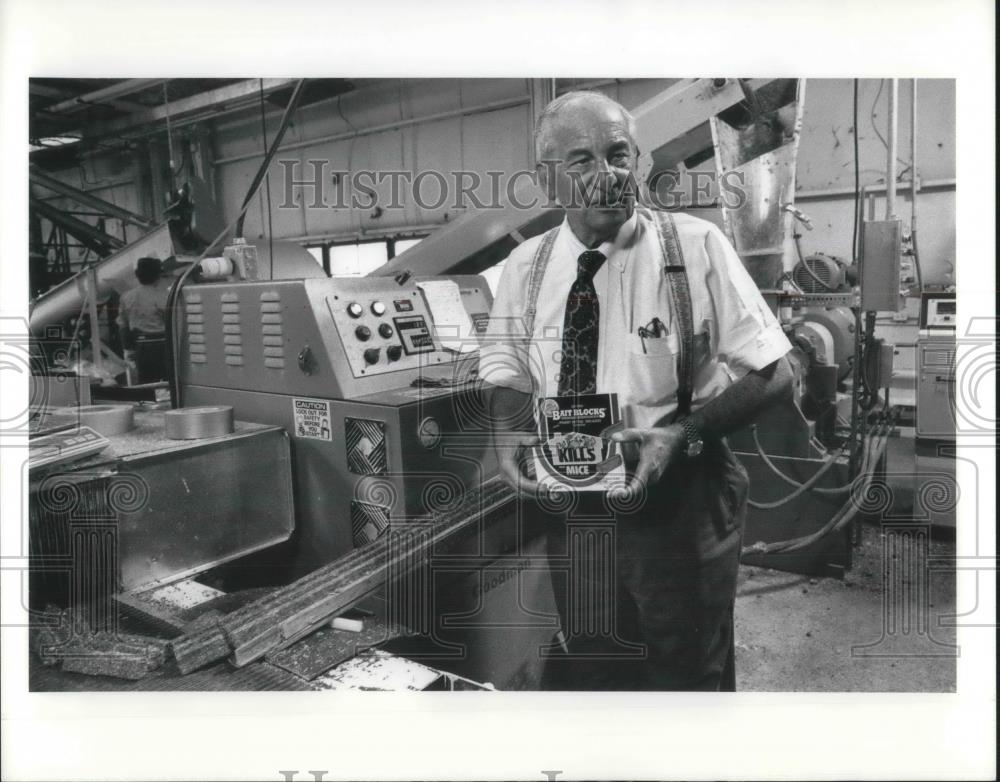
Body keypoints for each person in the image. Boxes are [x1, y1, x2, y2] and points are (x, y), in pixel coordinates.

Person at [479, 91, 794, 691]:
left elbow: (777, 371)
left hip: (681, 499)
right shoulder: (527, 266)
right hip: (576, 504)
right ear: (548, 180)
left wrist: (683, 434)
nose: (607, 176)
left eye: (618, 155)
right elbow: (508, 370)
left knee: (686, 669)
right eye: (581, 161)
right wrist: (508, 434)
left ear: (639, 162)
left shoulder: (694, 247)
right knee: (597, 664)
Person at [117, 256, 170, 384]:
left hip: (140, 345)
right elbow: (172, 323)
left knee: (146, 383)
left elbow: (123, 326)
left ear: (138, 276)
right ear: (157, 276)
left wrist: (127, 349)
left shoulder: (126, 297)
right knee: (168, 383)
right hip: (162, 344)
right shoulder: (164, 295)